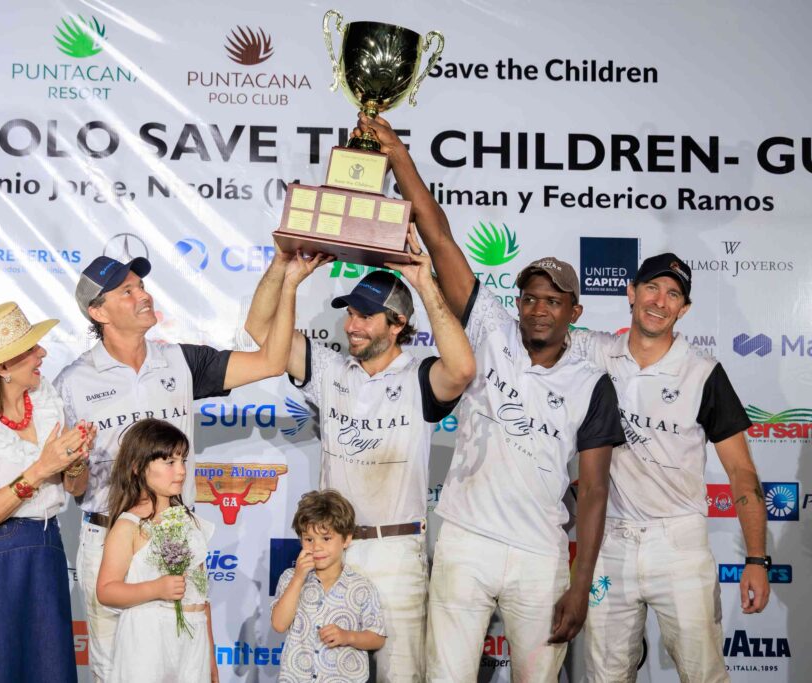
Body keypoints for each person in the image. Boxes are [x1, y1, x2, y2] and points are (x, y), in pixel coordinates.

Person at [0, 252, 302, 682]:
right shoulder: (68, 384)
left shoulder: (181, 362)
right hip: (106, 540)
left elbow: (271, 362)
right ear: (98, 312)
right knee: (111, 672)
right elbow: (19, 448)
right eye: (128, 291)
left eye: (141, 286)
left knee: (185, 667)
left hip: (174, 535)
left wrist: (289, 282)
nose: (144, 295)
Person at [355, 114, 625, 681]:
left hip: (540, 554)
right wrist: (397, 154)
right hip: (466, 541)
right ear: (518, 302)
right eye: (531, 298)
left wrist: (581, 585)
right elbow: (437, 235)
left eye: (554, 301)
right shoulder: (489, 328)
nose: (539, 309)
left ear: (574, 312)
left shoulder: (591, 383)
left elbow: (595, 490)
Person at [246, 226, 476, 682]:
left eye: (366, 316)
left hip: (396, 553)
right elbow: (259, 329)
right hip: (333, 551)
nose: (352, 325)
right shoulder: (328, 369)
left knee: (401, 677)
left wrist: (424, 283)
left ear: (398, 324)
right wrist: (285, 272)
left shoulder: (420, 375)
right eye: (351, 314)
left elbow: (464, 368)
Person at [566, 254, 769, 681]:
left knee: (703, 675)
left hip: (679, 545)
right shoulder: (593, 351)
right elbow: (528, 326)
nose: (660, 301)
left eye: (673, 294)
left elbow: (742, 473)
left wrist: (756, 558)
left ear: (685, 309)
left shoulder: (703, 372)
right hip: (608, 542)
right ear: (631, 292)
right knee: (604, 677)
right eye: (652, 288)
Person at [0, 301, 96, 683]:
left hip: (46, 548)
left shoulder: (47, 404)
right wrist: (41, 468)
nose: (43, 353)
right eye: (30, 349)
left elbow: (75, 488)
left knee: (50, 670)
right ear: (2, 367)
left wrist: (76, 461)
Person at [96, 419, 217, 683]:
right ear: (138, 466)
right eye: (170, 462)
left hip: (193, 643)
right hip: (148, 641)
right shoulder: (129, 525)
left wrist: (211, 660)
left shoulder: (189, 521)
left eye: (183, 460)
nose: (181, 471)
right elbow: (106, 590)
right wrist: (156, 588)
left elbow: (202, 595)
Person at [271, 489, 387, 683]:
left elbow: (377, 637)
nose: (317, 547)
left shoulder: (361, 587)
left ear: (346, 539)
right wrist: (298, 579)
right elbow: (279, 624)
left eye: (326, 538)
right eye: (309, 539)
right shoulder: (290, 578)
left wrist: (347, 637)